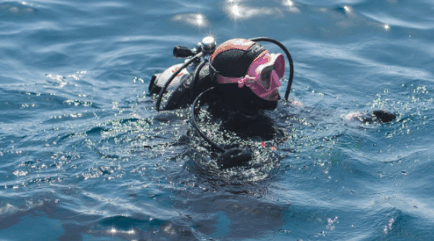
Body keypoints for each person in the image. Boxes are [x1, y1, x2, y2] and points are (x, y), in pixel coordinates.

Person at [148, 36, 396, 167]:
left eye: (276, 70)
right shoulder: (207, 120)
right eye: (266, 77)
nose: (277, 84)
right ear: (239, 84)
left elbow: (309, 118)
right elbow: (175, 155)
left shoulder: (259, 102)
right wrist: (218, 166)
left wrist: (353, 119)